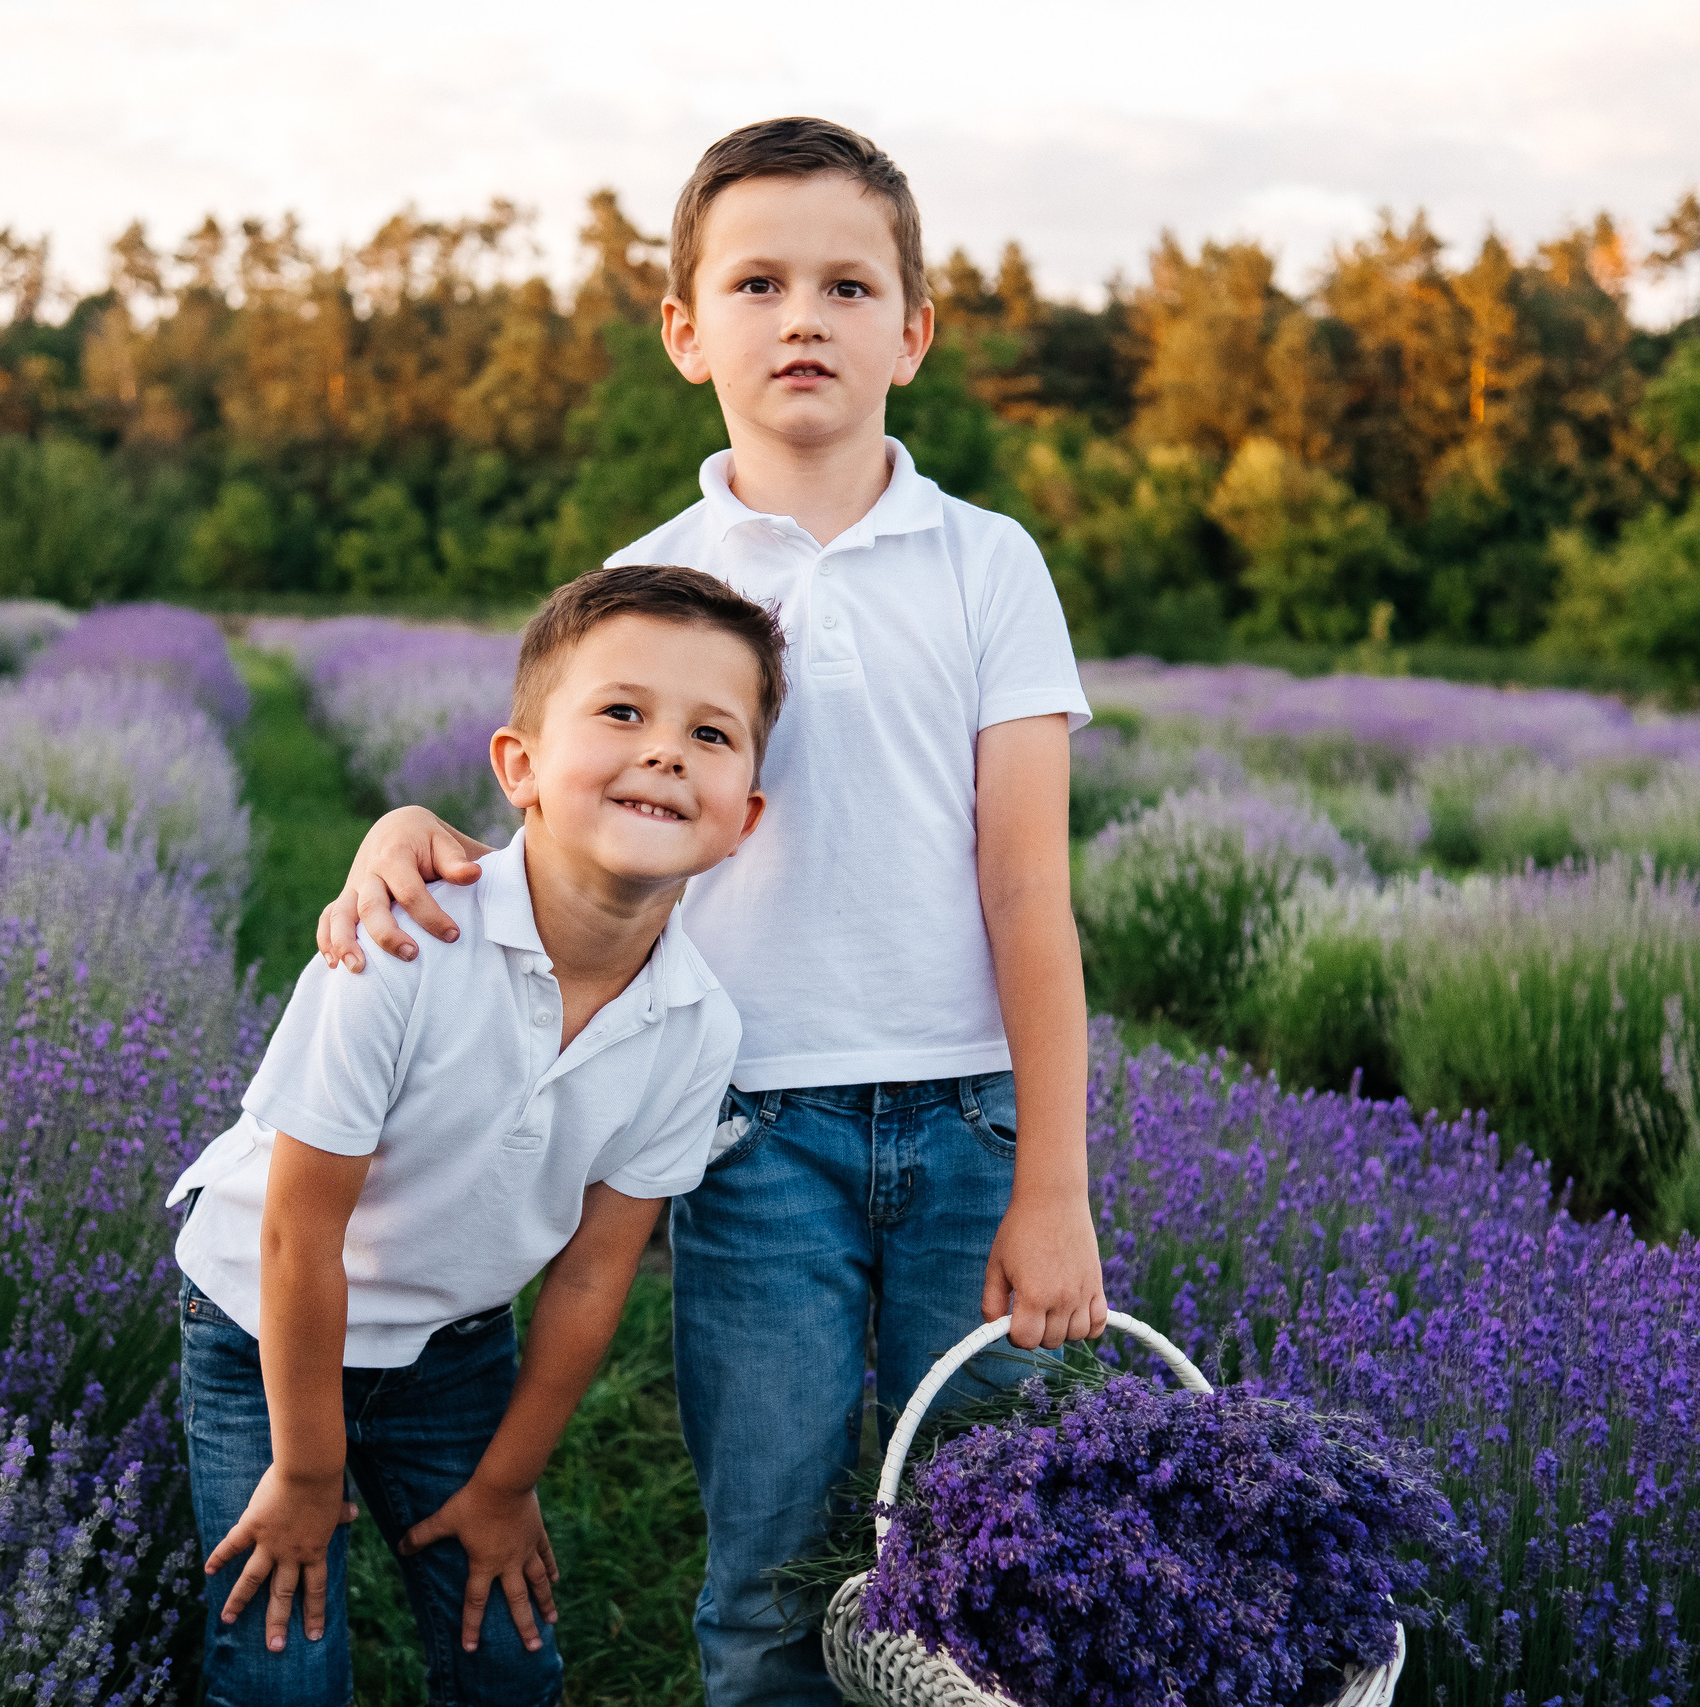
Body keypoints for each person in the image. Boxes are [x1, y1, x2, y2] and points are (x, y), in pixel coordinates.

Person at [316, 117, 1109, 1705]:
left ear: (914, 330)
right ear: (689, 333)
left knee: (999, 1555)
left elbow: (1028, 883)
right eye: (756, 281)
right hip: (747, 1130)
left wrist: (1055, 1178)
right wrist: (411, 834)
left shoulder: (986, 561)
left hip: (969, 1123)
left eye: (845, 283)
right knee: (769, 1555)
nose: (801, 315)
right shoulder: (657, 575)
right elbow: (594, 822)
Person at [171, 563, 785, 1705]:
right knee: (282, 1672)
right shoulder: (403, 943)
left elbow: (596, 1276)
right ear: (520, 768)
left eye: (712, 733)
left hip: (453, 1348)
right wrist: (308, 1471)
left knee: (506, 1661)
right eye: (621, 713)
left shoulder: (697, 1027)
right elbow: (299, 1236)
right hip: (264, 1321)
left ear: (742, 817)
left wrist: (506, 1485)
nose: (664, 751)